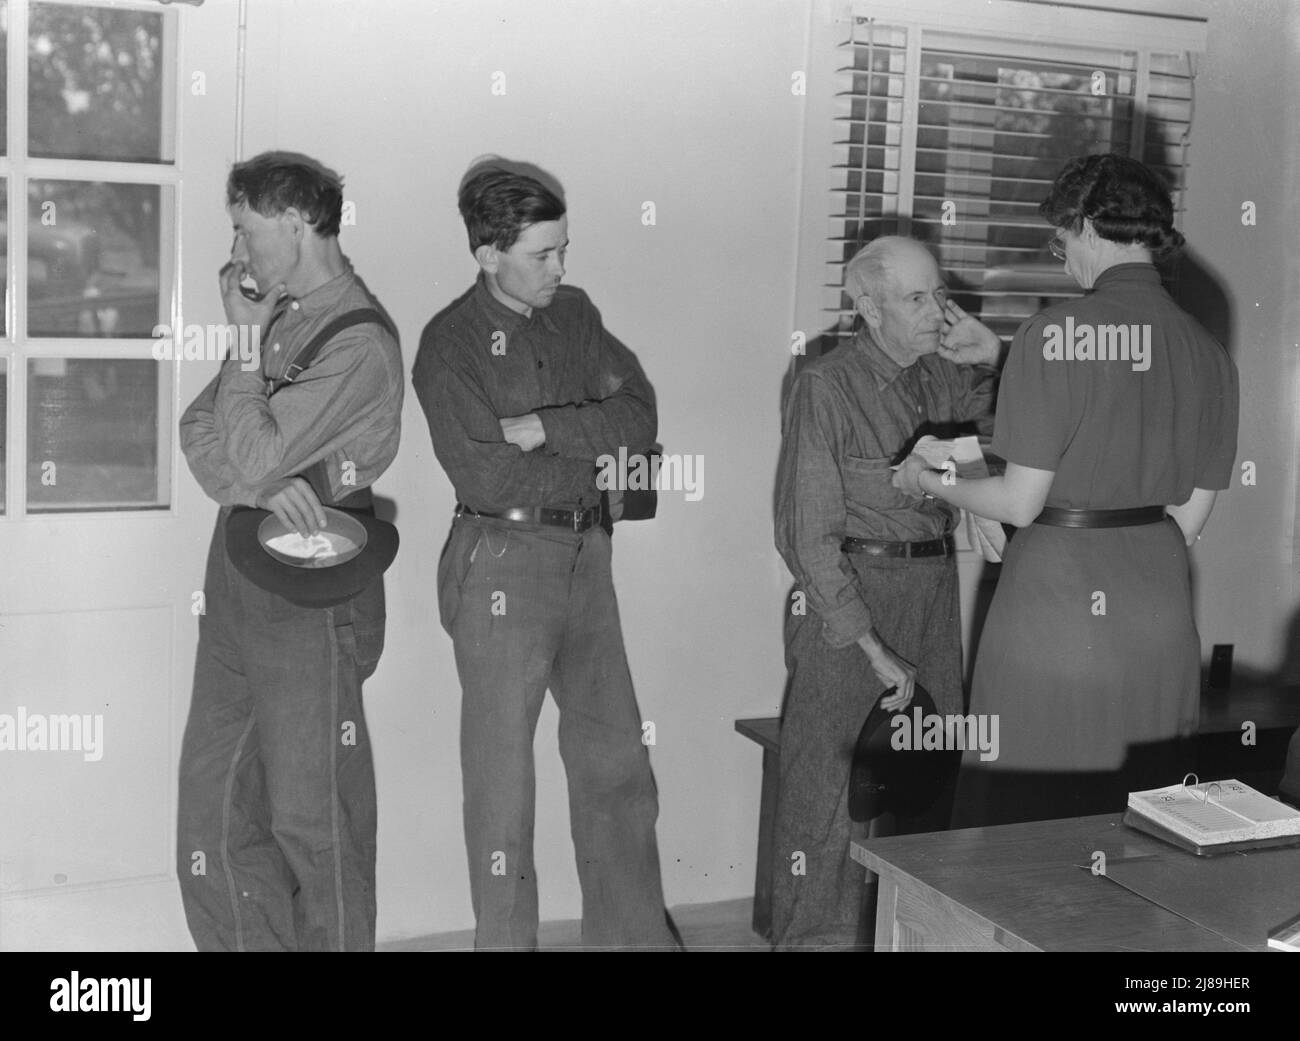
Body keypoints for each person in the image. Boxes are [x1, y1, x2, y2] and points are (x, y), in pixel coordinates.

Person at [893, 153, 1239, 827]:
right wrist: (1006, 358)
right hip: (1159, 611)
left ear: (1086, 224)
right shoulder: (1208, 350)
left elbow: (1019, 502)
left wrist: (927, 476)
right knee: (1136, 820)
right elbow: (1189, 516)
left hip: (1057, 611)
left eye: (1061, 239)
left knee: (1026, 818)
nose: (1063, 259)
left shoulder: (1052, 333)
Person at [412, 165, 677, 950]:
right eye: (542, 255)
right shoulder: (448, 345)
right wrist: (597, 454)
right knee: (502, 790)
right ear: (489, 251)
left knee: (619, 765)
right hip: (500, 559)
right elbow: (488, 473)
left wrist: (549, 426)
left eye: (563, 249)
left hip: (587, 555)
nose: (561, 268)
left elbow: (639, 411)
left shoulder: (576, 314)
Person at [176, 151, 403, 951]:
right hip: (239, 577)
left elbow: (255, 449)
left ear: (296, 222)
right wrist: (262, 482)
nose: (235, 254)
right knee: (214, 814)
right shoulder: (281, 316)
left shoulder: (359, 342)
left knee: (316, 822)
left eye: (244, 230)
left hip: (312, 592)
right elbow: (199, 432)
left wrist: (259, 459)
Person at [771, 235, 1002, 949]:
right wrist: (870, 645)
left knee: (928, 784)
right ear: (866, 306)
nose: (935, 311)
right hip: (850, 601)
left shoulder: (945, 376)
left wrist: (991, 357)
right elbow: (805, 534)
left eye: (938, 293)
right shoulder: (825, 387)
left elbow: (1021, 435)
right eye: (914, 298)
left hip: (932, 593)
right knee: (827, 799)